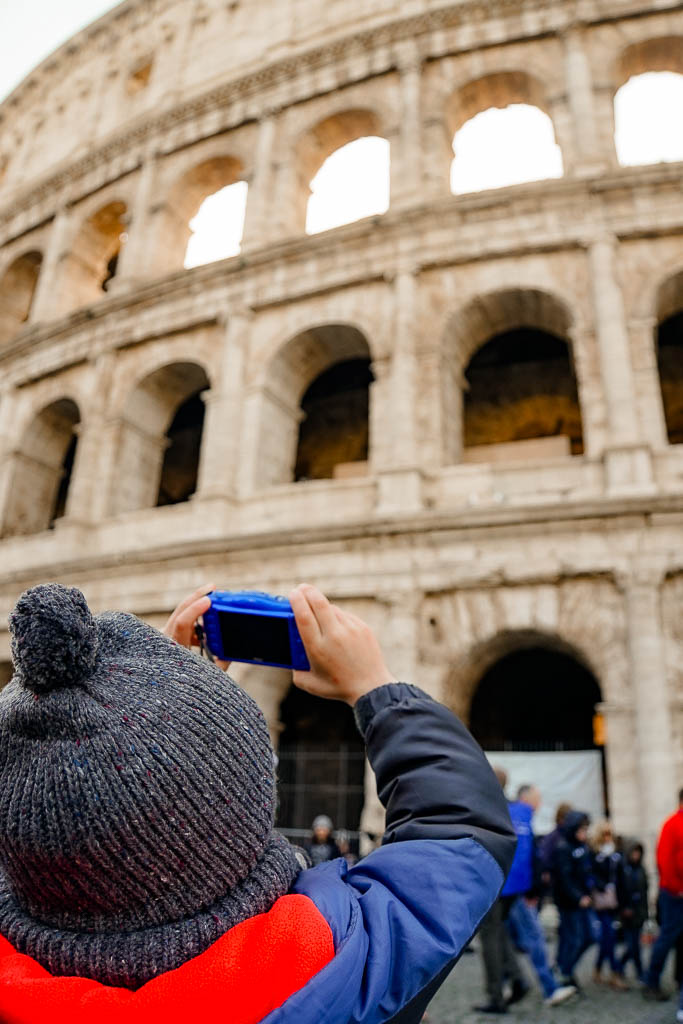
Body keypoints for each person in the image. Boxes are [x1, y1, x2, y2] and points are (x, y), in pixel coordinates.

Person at [0, 581, 516, 1024]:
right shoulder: (330, 960)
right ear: (248, 799)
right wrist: (375, 686)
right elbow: (461, 830)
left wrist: (157, 721)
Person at [503, 785, 576, 1007]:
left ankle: (509, 984)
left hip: (507, 889)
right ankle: (549, 988)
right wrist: (532, 890)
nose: (539, 804)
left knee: (509, 939)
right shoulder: (522, 816)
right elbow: (524, 857)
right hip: (518, 890)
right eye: (537, 799)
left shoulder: (511, 814)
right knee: (534, 938)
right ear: (527, 799)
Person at [473, 768, 528, 1016]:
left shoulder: (485, 806)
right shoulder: (512, 809)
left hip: (491, 880)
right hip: (512, 881)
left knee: (490, 938)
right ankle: (518, 979)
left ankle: (496, 996)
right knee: (500, 932)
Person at [643, 787, 683, 1002]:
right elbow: (665, 862)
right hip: (675, 894)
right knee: (666, 938)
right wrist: (677, 888)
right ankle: (652, 981)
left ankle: (679, 978)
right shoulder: (672, 824)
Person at [551, 809, 596, 987]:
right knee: (574, 939)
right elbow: (564, 878)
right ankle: (565, 972)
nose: (584, 833)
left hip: (583, 900)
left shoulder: (582, 847)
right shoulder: (563, 848)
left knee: (590, 936)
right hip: (570, 903)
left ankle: (566, 969)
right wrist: (578, 897)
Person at [589, 820, 628, 989]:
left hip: (613, 899)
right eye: (605, 834)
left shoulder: (616, 854)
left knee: (607, 936)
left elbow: (621, 877)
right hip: (601, 899)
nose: (608, 837)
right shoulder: (595, 855)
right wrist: (601, 886)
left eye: (609, 834)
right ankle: (615, 972)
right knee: (609, 934)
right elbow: (592, 875)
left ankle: (598, 968)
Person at [617, 841, 648, 982]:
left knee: (635, 945)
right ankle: (624, 968)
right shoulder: (623, 869)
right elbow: (621, 890)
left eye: (638, 852)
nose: (635, 855)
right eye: (633, 852)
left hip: (639, 912)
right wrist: (624, 907)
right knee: (632, 945)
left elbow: (644, 891)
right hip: (627, 912)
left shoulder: (641, 869)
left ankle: (627, 969)